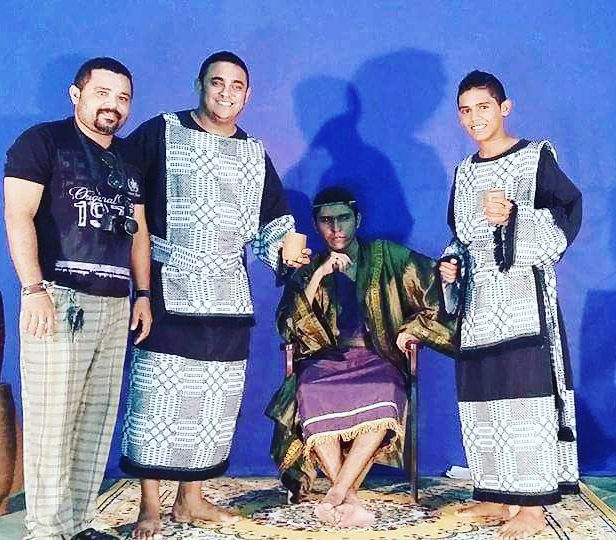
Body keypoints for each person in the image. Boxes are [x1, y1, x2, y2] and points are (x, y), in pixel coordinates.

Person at [119, 51, 310, 539]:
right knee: (155, 397)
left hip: (227, 295)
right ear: (199, 84)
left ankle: (191, 498)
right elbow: (124, 195)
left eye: (236, 86)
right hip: (168, 286)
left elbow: (272, 223)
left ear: (248, 95)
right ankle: (150, 505)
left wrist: (287, 251)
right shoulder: (162, 132)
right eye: (217, 82)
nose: (226, 93)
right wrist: (139, 284)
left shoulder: (253, 152)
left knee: (212, 402)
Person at [4, 57, 152, 540]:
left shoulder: (129, 158)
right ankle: (47, 531)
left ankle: (80, 522)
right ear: (77, 94)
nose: (113, 105)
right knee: (52, 422)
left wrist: (143, 293)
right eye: (102, 93)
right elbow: (18, 216)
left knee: (95, 419)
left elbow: (139, 231)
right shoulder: (43, 142)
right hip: (57, 298)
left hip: (114, 301)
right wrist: (33, 289)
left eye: (123, 98)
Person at [439, 70, 582, 540]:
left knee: (526, 401)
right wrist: (451, 265)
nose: (474, 118)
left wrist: (517, 217)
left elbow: (567, 214)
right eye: (465, 110)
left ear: (504, 108)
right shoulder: (463, 172)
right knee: (484, 399)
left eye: (483, 107)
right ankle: (497, 495)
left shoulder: (535, 158)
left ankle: (532, 508)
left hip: (523, 302)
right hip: (479, 306)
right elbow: (461, 238)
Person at [266, 186, 454, 528]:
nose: (336, 228)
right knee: (308, 390)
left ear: (358, 220)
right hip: (325, 361)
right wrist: (319, 275)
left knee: (387, 390)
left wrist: (414, 329)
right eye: (326, 221)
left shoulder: (387, 256)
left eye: (343, 218)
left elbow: (435, 285)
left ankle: (336, 494)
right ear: (316, 225)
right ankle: (347, 496)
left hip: (377, 357)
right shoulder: (309, 268)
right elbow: (289, 326)